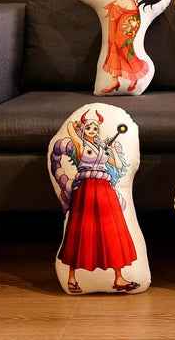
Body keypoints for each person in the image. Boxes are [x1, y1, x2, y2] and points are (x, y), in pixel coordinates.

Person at [56, 111, 139, 294]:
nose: (92, 130)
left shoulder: (102, 149)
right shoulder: (81, 145)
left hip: (105, 189)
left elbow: (117, 165)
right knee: (80, 230)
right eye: (89, 127)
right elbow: (70, 129)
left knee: (112, 229)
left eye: (95, 128)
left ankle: (118, 278)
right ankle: (72, 278)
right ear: (84, 130)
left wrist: (112, 150)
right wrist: (76, 125)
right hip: (87, 188)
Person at [82, 0, 166, 93]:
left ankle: (134, 76)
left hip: (129, 13)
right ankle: (114, 81)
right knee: (111, 44)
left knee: (123, 44)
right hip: (115, 8)